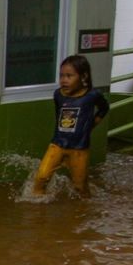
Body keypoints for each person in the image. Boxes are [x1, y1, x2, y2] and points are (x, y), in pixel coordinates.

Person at [32, 55, 110, 197]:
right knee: (41, 178)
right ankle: (37, 210)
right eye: (61, 76)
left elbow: (104, 108)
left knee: (80, 187)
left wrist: (91, 125)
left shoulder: (92, 95)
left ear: (83, 76)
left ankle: (83, 212)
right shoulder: (58, 95)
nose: (64, 80)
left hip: (79, 148)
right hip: (57, 144)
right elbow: (59, 116)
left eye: (69, 76)